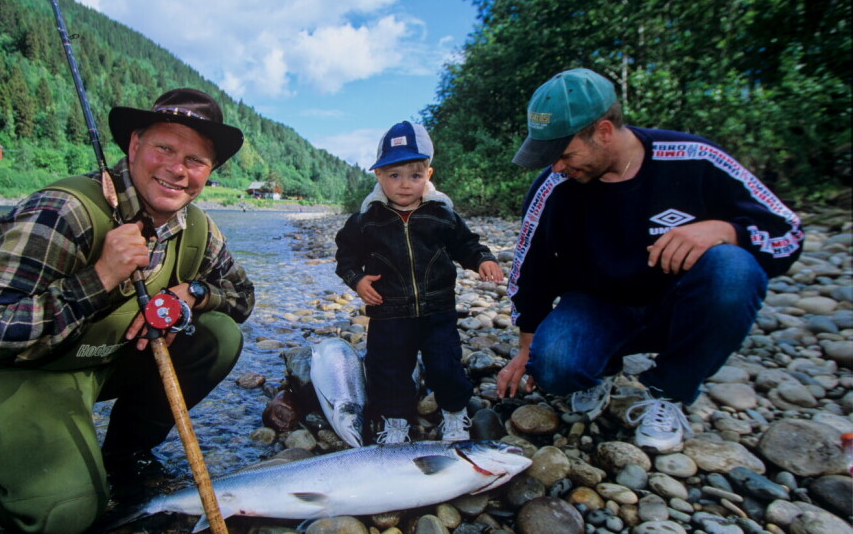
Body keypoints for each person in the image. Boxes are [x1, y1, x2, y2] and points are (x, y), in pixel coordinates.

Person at [0, 88, 255, 533]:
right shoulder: (63, 211)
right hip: (27, 369)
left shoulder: (198, 227)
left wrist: (194, 293)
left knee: (219, 334)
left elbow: (242, 298)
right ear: (134, 146)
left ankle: (122, 454)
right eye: (164, 148)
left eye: (195, 160)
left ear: (209, 172)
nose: (177, 170)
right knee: (64, 516)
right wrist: (101, 276)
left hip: (108, 360)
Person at [496, 68, 804, 452]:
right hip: (598, 306)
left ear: (604, 131)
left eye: (565, 154)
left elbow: (789, 231)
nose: (558, 166)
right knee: (553, 366)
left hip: (678, 305)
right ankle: (602, 369)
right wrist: (527, 348)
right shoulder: (555, 185)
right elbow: (531, 268)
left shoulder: (695, 158)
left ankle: (671, 391)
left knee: (734, 268)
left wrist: (727, 231)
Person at [335, 121, 504, 444]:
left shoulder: (441, 214)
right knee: (388, 369)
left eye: (414, 175)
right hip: (388, 313)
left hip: (438, 311)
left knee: (446, 365)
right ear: (379, 176)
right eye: (394, 175)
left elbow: (466, 244)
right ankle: (396, 420)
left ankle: (454, 413)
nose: (404, 185)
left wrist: (482, 259)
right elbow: (345, 257)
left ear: (428, 174)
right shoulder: (366, 221)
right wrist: (357, 281)